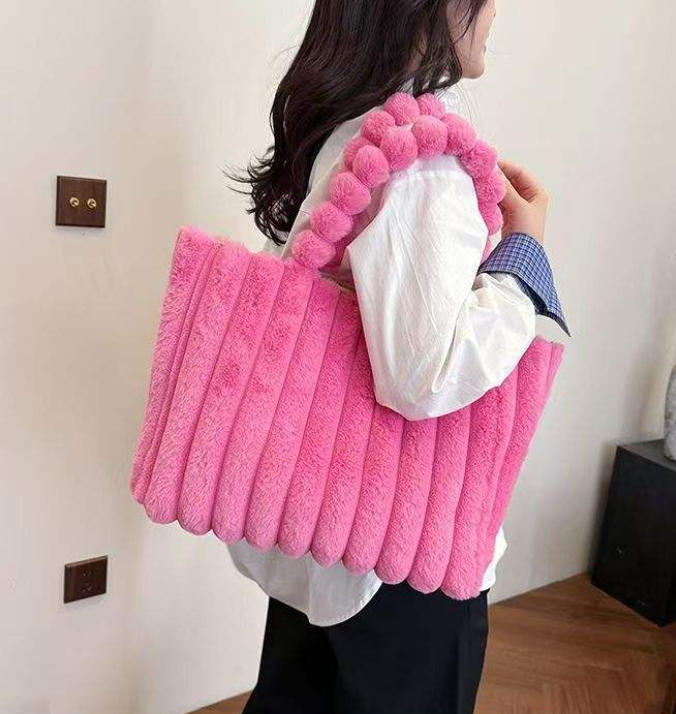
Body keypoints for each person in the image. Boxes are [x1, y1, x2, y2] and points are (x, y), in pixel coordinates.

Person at [230, 1, 570, 712]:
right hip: (401, 552)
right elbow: (425, 377)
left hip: (312, 524)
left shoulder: (344, 127)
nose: (496, 11)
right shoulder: (423, 163)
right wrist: (524, 256)